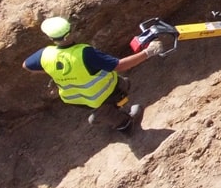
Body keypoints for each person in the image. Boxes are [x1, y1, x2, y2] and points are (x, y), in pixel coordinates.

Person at [25, 16, 158, 134]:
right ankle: (124, 123)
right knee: (120, 89)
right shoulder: (84, 53)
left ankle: (103, 113)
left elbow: (26, 65)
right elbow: (119, 66)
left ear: (50, 38)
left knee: (115, 91)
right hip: (104, 93)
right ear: (70, 32)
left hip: (76, 100)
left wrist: (51, 71)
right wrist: (148, 52)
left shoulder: (45, 54)